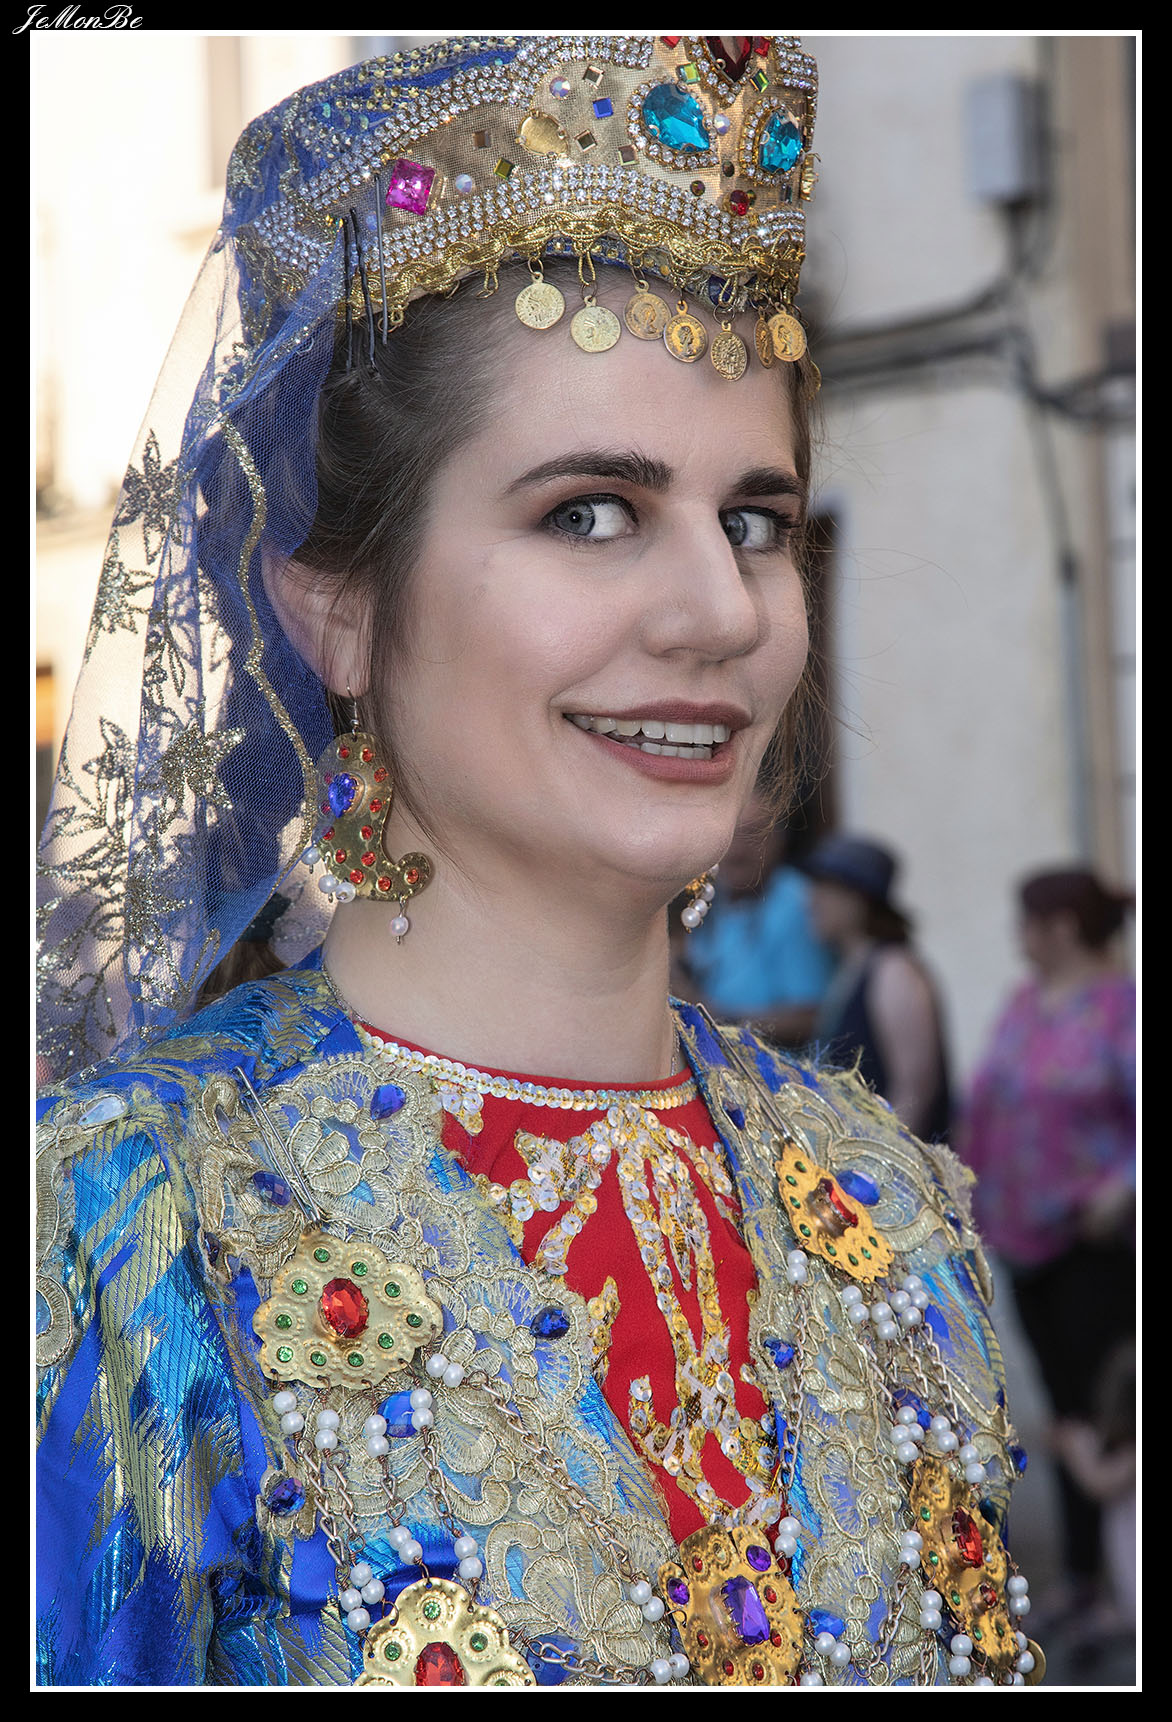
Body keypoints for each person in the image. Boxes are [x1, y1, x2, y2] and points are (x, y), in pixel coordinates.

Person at [36, 36, 1038, 1688]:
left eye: (756, 520)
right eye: (590, 512)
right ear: (334, 603)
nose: (718, 610)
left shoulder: (885, 1204)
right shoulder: (129, 1228)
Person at [958, 867, 1135, 1632]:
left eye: (1027, 921)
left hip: (1093, 1241)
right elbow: (986, 1102)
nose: (1018, 935)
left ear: (1061, 928)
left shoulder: (1122, 1007)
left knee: (1110, 1410)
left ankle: (1126, 1579)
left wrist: (1123, 1186)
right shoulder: (1026, 1003)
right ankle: (1084, 1574)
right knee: (1063, 1410)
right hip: (1020, 1234)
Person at [801, 835, 952, 1142]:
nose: (813, 901)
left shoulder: (894, 970)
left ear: (859, 900)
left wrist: (884, 1160)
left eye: (827, 889)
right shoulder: (851, 967)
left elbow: (915, 1088)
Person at [676, 789, 833, 1046]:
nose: (737, 850)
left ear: (779, 841)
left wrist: (722, 1022)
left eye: (753, 834)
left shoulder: (796, 904)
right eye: (731, 835)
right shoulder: (716, 895)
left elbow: (810, 1019)